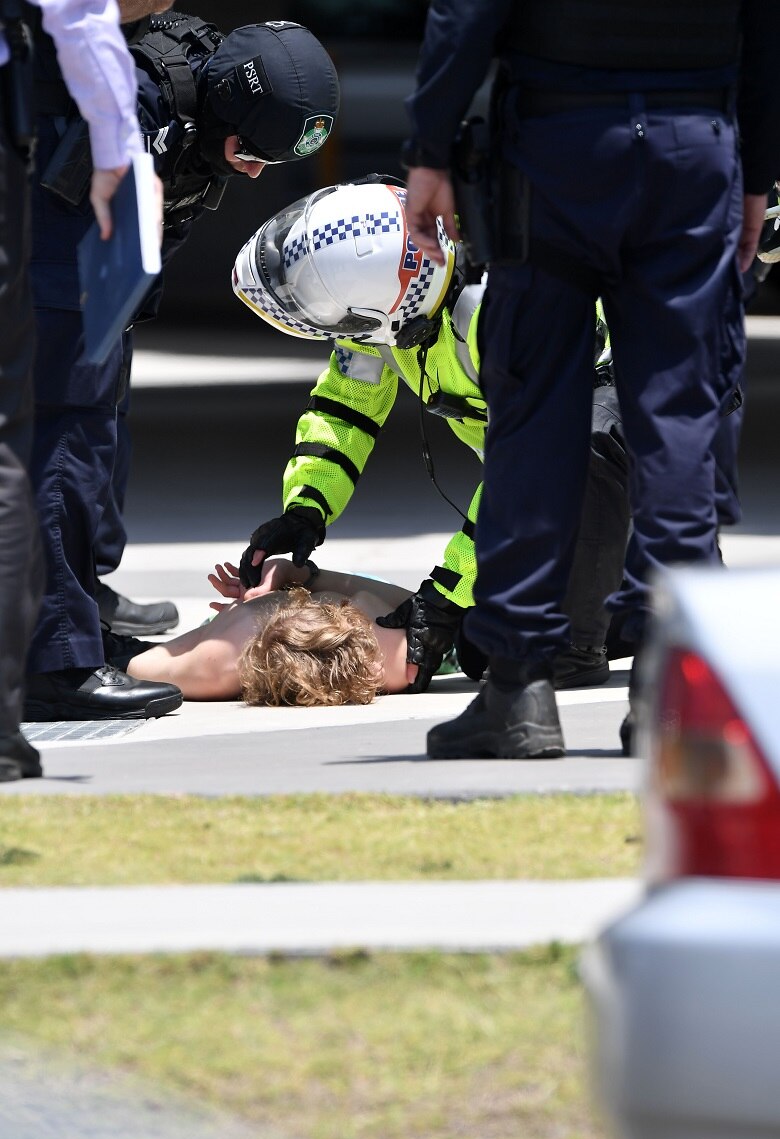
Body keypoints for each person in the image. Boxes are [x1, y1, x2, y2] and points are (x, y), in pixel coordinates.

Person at [400, 0, 780, 759]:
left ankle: (517, 687)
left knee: (535, 411)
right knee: (678, 414)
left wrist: (429, 150)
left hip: (558, 150)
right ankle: (667, 683)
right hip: (690, 149)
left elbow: (465, 12)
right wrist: (759, 172)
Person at [24, 9, 340, 720]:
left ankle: (76, 615)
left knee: (95, 432)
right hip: (56, 265)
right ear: (224, 113)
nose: (257, 170)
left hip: (80, 273)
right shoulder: (130, 102)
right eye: (251, 150)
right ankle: (53, 662)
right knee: (66, 442)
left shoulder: (196, 100)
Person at [230, 177, 630, 694]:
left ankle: (580, 644)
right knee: (481, 647)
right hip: (559, 489)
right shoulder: (396, 308)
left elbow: (532, 467)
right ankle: (635, 602)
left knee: (583, 445)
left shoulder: (509, 312)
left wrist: (443, 596)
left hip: (634, 446)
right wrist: (306, 508)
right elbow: (346, 407)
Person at [0, 0, 185, 767]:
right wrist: (118, 148)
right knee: (57, 418)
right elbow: (78, 12)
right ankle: (58, 660)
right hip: (44, 164)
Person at [105, 559, 414, 703]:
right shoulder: (387, 653)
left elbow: (129, 662)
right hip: (354, 622)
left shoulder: (220, 660)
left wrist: (299, 574)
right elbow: (421, 605)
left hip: (234, 640)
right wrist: (298, 572)